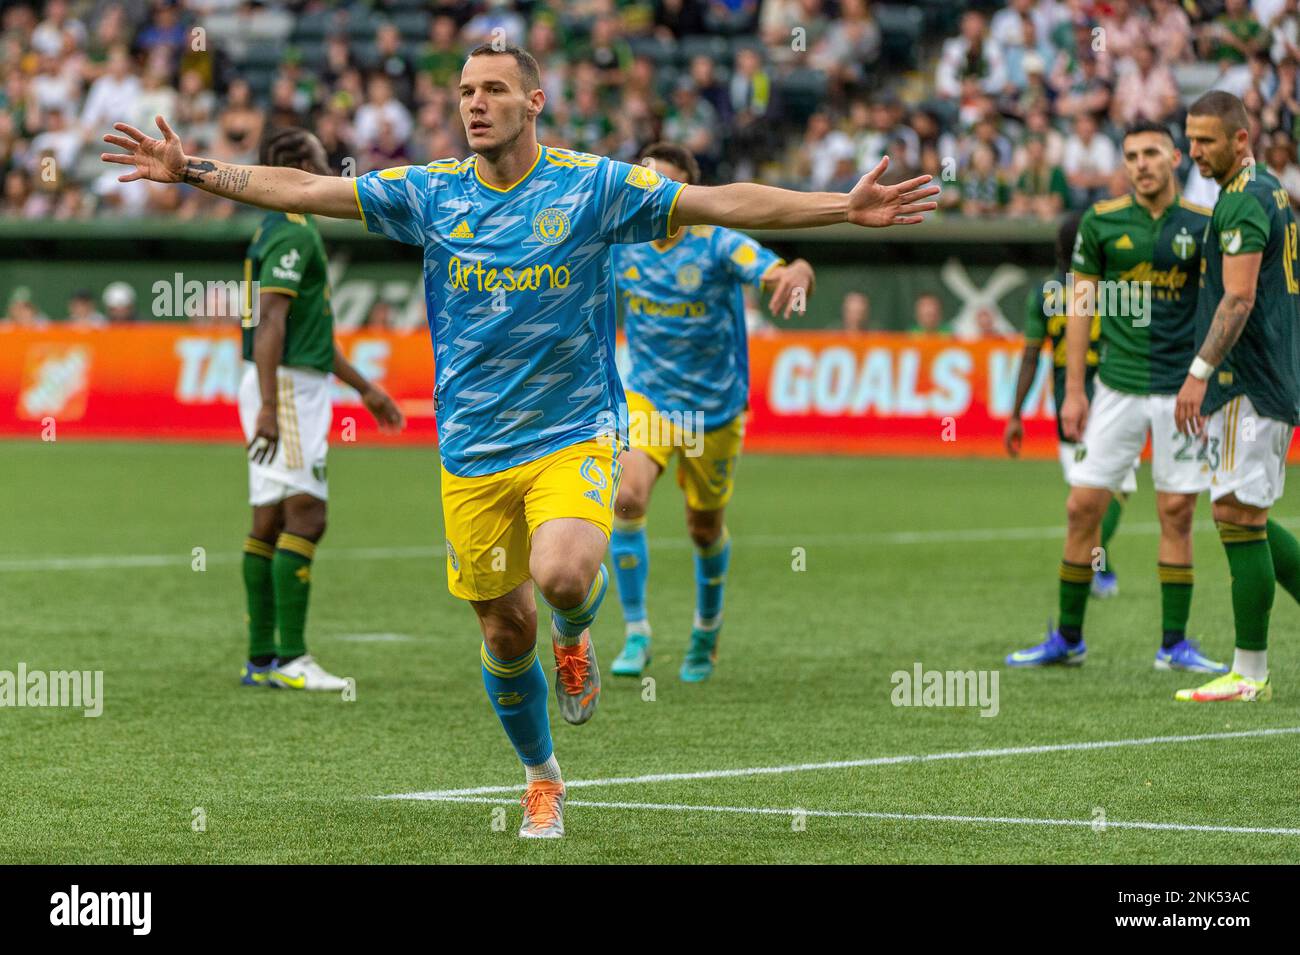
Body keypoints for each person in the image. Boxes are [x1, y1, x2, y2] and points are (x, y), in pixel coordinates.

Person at [101, 43, 937, 839]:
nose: (475, 102)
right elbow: (308, 189)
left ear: (534, 101)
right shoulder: (429, 193)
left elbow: (719, 203)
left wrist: (840, 208)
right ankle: (542, 774)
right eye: (465, 91)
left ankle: (578, 635)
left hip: (574, 428)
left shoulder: (591, 188)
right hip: (470, 450)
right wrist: (195, 171)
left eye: (494, 89)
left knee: (564, 574)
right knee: (504, 632)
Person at [1006, 121, 1225, 673]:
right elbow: (1079, 308)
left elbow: (1225, 305)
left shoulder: (1204, 226)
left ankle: (1174, 644)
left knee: (1176, 512)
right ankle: (1069, 639)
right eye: (1131, 155)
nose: (1141, 163)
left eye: (1152, 152)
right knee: (1082, 507)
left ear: (1175, 157)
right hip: (1116, 390)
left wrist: (1210, 378)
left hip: (1182, 392)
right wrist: (1075, 391)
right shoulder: (1101, 224)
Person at [606, 141, 815, 681]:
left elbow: (771, 269)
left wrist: (798, 270)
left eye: (665, 185)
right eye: (644, 180)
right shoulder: (619, 243)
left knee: (703, 528)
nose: (651, 192)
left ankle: (706, 629)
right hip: (647, 395)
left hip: (714, 409)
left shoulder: (717, 243)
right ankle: (636, 632)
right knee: (626, 498)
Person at [237, 127, 405, 691]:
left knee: (271, 517)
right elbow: (272, 323)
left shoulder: (281, 228)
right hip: (284, 387)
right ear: (292, 165)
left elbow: (307, 328)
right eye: (316, 158)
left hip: (282, 381)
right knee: (309, 514)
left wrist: (365, 387)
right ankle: (291, 659)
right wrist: (268, 405)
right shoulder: (293, 231)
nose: (329, 164)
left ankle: (262, 659)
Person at [1173, 91, 1300, 702]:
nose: (1193, 150)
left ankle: (1249, 674)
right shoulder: (1268, 190)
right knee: (1241, 510)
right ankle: (1249, 670)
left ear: (1240, 139)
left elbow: (1241, 298)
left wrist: (1199, 371)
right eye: (1190, 139)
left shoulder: (1245, 203)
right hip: (1266, 378)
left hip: (1248, 382)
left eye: (1206, 140)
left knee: (1236, 515)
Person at [1005, 213, 1133, 598]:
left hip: (1068, 404)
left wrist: (1015, 414)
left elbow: (1031, 356)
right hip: (1112, 399)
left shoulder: (1044, 294)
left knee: (1086, 491)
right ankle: (1095, 565)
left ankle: (1094, 565)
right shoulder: (1113, 289)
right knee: (1116, 489)